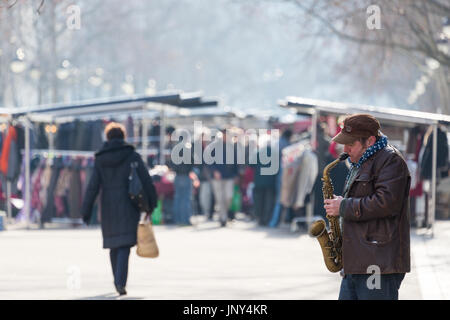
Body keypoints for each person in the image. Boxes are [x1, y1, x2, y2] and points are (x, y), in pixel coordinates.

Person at [323, 114, 411, 300]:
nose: (345, 149)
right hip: (356, 262)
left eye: (351, 144)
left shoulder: (390, 160)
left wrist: (344, 206)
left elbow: (386, 203)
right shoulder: (361, 161)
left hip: (377, 264)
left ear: (370, 141)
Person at [81, 122, 157, 296]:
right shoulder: (131, 155)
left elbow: (93, 186)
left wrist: (86, 210)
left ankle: (117, 279)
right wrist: (151, 204)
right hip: (129, 203)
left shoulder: (100, 159)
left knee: (113, 244)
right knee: (124, 245)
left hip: (107, 205)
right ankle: (120, 282)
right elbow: (146, 180)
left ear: (107, 138)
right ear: (123, 137)